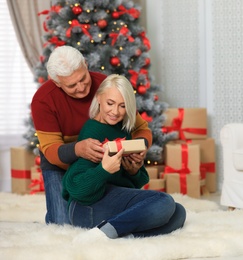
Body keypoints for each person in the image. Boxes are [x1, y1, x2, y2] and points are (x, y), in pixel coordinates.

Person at [31, 46, 152, 225]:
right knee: (62, 226)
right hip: (60, 162)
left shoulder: (105, 86)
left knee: (102, 211)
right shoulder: (43, 100)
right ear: (56, 82)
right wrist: (78, 149)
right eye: (72, 85)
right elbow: (50, 150)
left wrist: (138, 148)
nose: (81, 88)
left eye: (83, 79)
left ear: (86, 65)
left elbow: (141, 128)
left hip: (98, 162)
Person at [62, 74, 186, 238]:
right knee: (164, 201)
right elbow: (77, 189)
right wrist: (104, 169)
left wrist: (134, 171)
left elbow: (133, 186)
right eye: (110, 103)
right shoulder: (92, 131)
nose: (115, 112)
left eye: (122, 106)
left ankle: (118, 235)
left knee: (178, 213)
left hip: (111, 200)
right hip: (85, 208)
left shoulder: (123, 131)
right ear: (99, 98)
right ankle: (104, 233)